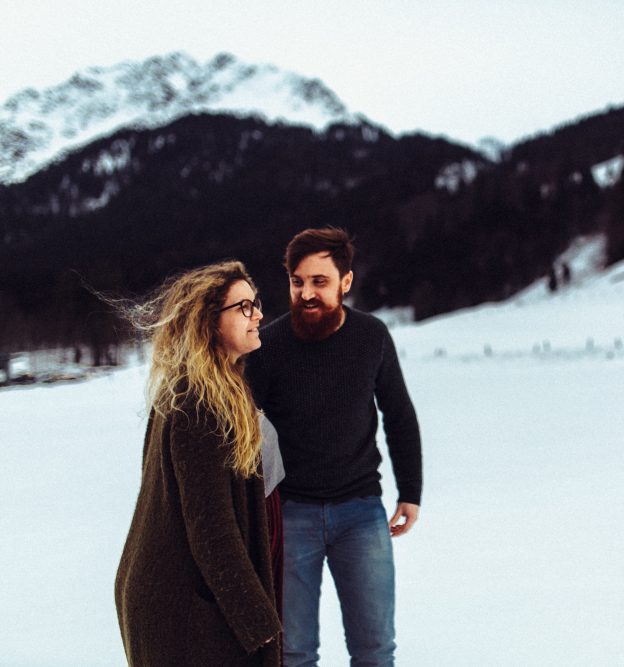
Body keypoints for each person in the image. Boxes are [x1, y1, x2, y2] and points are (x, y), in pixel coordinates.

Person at [246, 227, 422, 667]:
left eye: (319, 282)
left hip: (360, 512)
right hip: (290, 515)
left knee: (375, 650)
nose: (306, 293)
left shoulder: (371, 336)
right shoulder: (268, 346)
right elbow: (243, 429)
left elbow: (398, 414)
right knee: (294, 653)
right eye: (297, 281)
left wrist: (411, 491)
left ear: (345, 282)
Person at [114, 261, 282, 666]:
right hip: (183, 610)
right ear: (209, 322)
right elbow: (211, 529)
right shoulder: (198, 403)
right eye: (244, 307)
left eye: (256, 303)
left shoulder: (210, 389)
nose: (258, 314)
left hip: (178, 596)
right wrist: (259, 626)